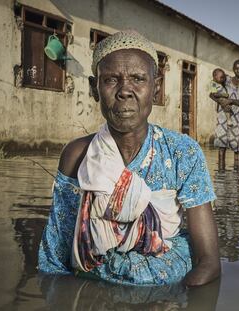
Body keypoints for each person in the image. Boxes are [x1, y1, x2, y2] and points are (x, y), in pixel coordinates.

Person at [38, 30, 220, 287]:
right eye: (111, 80)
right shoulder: (77, 155)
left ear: (155, 89)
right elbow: (55, 258)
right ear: (94, 88)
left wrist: (177, 299)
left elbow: (209, 262)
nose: (125, 91)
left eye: (138, 79)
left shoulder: (183, 152)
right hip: (95, 289)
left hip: (167, 289)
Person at [210, 60, 239, 170]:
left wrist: (231, 101)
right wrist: (221, 102)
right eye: (236, 68)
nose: (238, 70)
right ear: (233, 69)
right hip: (223, 116)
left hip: (237, 118)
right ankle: (221, 172)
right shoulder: (226, 79)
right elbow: (212, 94)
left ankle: (236, 177)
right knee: (221, 145)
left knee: (236, 146)